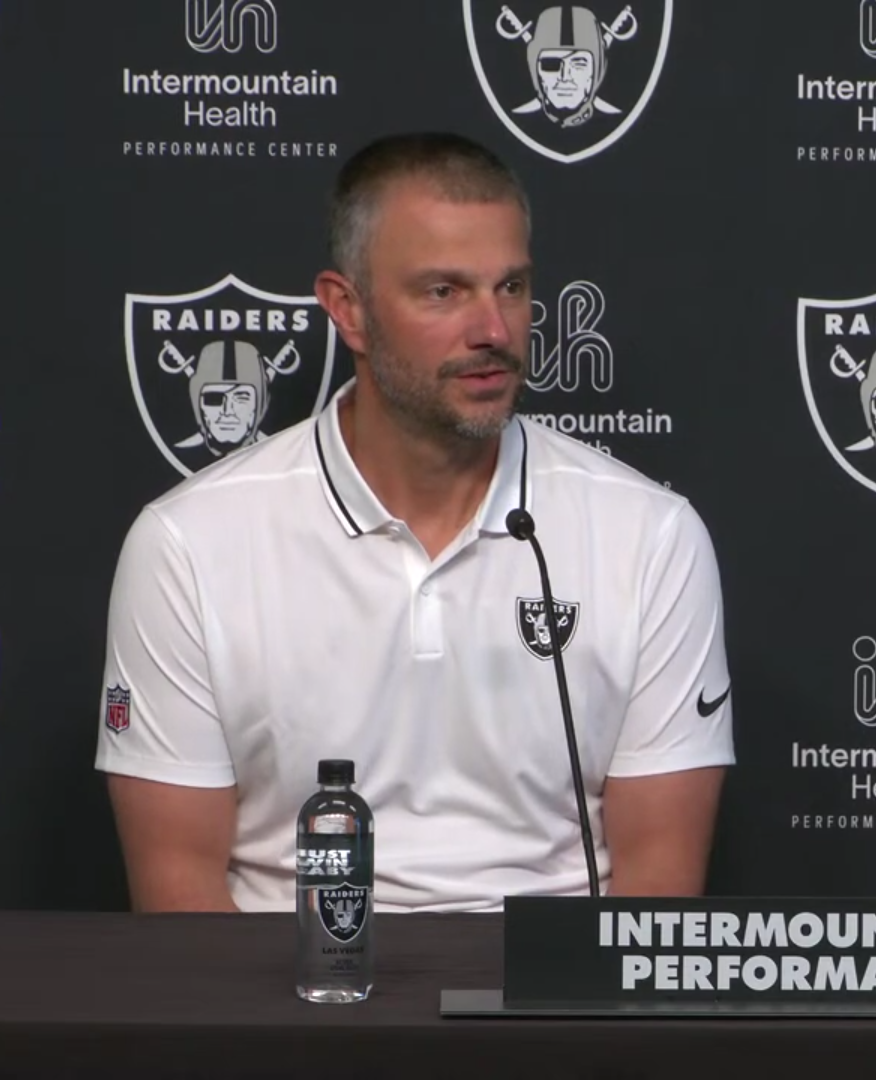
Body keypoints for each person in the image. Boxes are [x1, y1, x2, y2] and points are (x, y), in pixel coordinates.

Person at [95, 132, 734, 913]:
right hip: (288, 982)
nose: (493, 330)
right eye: (443, 292)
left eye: (511, 287)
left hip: (551, 985)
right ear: (349, 310)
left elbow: (656, 894)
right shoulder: (188, 544)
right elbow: (178, 892)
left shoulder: (652, 536)